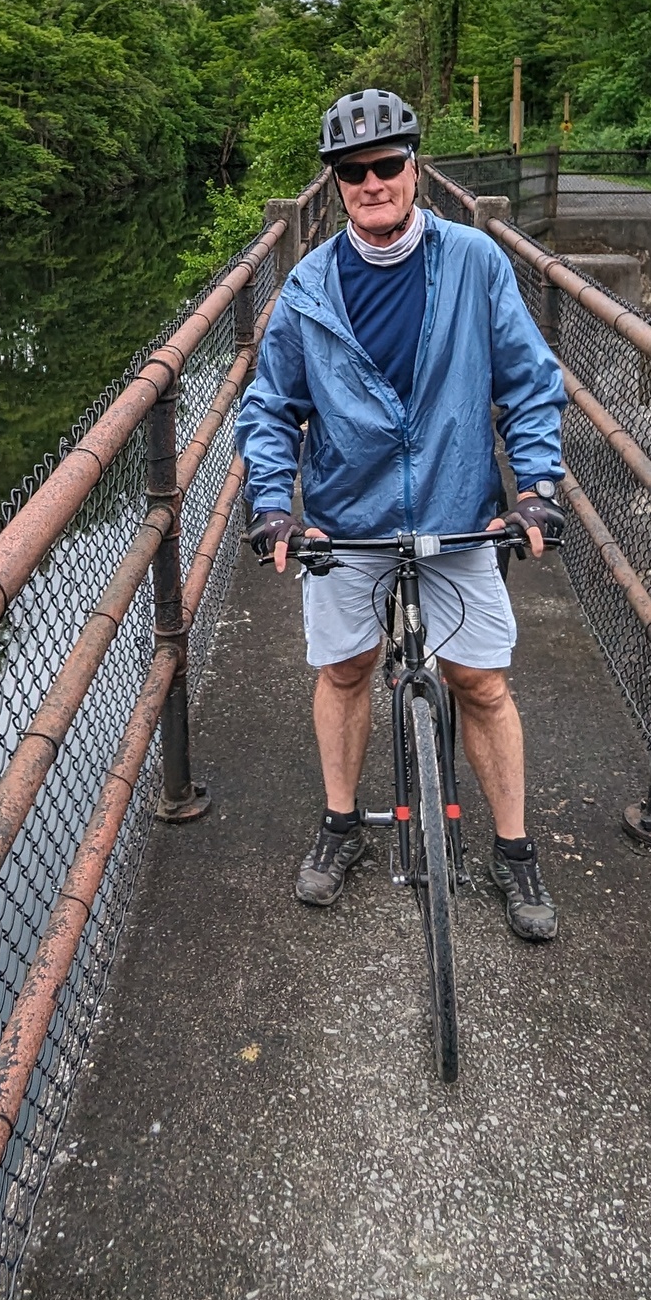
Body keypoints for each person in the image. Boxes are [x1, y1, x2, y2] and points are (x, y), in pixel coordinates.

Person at [235, 87, 570, 941]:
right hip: (348, 518)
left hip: (459, 509)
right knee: (345, 670)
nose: (374, 182)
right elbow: (271, 407)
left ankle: (514, 849)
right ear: (336, 184)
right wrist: (273, 505)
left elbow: (529, 383)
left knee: (482, 683)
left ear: (416, 169)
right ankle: (342, 824)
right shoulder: (308, 287)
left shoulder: (473, 261)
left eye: (389, 165)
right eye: (355, 171)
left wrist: (535, 488)